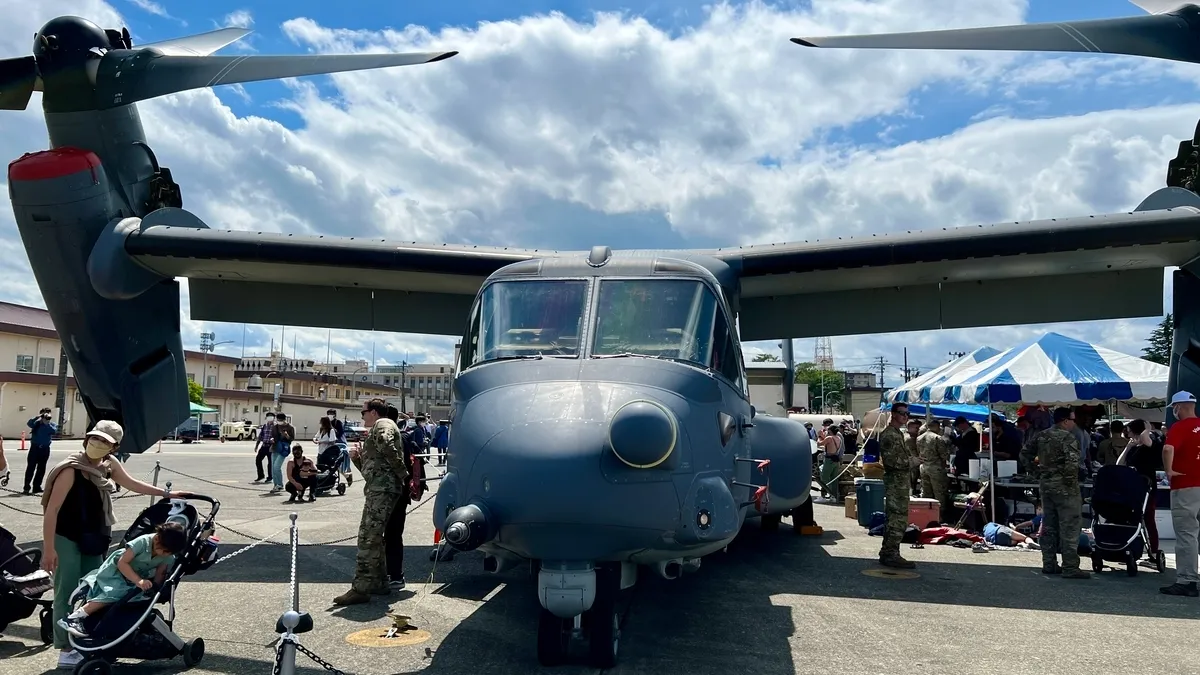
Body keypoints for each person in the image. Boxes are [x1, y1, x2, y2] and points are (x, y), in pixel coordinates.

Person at [40, 420, 186, 669]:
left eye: (104, 441)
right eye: (94, 438)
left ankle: (90, 640)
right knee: (66, 591)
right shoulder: (71, 468)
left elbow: (131, 483)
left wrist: (167, 494)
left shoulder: (108, 465)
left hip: (95, 534)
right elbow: (52, 510)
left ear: (114, 447)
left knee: (96, 589)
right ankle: (65, 647)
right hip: (67, 535)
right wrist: (49, 548)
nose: (96, 444)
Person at [334, 398, 409, 605]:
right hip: (379, 488)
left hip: (382, 490)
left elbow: (386, 444)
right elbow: (374, 471)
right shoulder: (381, 425)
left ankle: (360, 588)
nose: (362, 416)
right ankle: (378, 583)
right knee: (374, 538)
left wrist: (403, 474)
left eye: (363, 412)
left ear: (374, 412)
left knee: (367, 538)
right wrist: (358, 458)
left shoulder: (382, 424)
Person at [57, 522, 188, 638]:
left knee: (134, 598)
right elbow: (122, 563)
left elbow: (161, 571)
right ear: (157, 539)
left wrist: (155, 587)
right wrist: (139, 581)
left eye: (169, 553)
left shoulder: (167, 554)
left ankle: (99, 601)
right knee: (116, 593)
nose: (166, 555)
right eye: (164, 551)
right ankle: (74, 617)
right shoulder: (142, 542)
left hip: (134, 577)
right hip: (117, 570)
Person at [1024, 407, 1090, 579]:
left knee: (1049, 525)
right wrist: (1069, 482)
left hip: (1046, 485)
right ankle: (1070, 566)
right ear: (1065, 421)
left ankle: (1049, 563)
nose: (1074, 423)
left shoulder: (1041, 435)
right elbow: (1072, 463)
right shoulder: (1068, 437)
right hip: (1066, 488)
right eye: (1072, 420)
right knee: (1070, 526)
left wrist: (1036, 472)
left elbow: (1024, 454)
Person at [1161, 391, 1200, 597]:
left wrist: (1169, 471)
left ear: (1180, 407)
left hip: (1186, 485)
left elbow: (1168, 448)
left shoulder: (1180, 427)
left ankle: (1187, 580)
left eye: (1174, 408)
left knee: (1187, 534)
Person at [1118, 419, 1162, 564]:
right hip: (1133, 487)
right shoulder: (1134, 447)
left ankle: (1154, 552)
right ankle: (1130, 549)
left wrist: (1147, 429)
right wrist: (1128, 447)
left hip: (1147, 487)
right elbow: (1119, 464)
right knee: (1131, 518)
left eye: (1129, 429)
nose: (1127, 432)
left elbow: (1145, 439)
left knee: (1149, 519)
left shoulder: (1151, 445)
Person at [878, 403, 915, 569]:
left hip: (900, 483)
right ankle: (890, 553)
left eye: (907, 414)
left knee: (896, 518)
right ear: (893, 414)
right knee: (897, 519)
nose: (905, 417)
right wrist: (912, 462)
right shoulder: (889, 435)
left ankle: (889, 551)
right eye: (902, 413)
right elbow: (891, 461)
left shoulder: (897, 434)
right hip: (895, 483)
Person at [384, 404, 411, 589]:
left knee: (391, 534)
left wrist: (402, 476)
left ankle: (393, 574)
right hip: (399, 493)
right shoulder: (404, 437)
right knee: (393, 534)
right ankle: (392, 573)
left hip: (393, 493)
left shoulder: (394, 438)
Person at [918, 419, 952, 523]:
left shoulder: (919, 438)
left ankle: (926, 515)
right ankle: (939, 516)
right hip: (935, 468)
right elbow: (944, 455)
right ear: (937, 426)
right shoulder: (937, 438)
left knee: (926, 492)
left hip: (924, 467)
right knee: (939, 493)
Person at [24, 407, 58, 495]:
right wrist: (38, 417)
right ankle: (26, 487)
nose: (46, 416)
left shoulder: (52, 424)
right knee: (31, 467)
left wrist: (47, 423)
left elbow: (54, 431)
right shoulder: (36, 424)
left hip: (45, 449)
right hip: (34, 448)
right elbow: (29, 423)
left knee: (41, 468)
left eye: (48, 414)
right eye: (44, 414)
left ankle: (36, 487)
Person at [269, 413, 295, 494]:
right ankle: (276, 484)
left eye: (280, 420)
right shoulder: (274, 427)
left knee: (277, 466)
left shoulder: (290, 427)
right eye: (278, 420)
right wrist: (271, 439)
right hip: (274, 448)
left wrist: (287, 436)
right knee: (273, 468)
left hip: (283, 449)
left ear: (284, 419)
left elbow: (292, 438)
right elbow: (271, 436)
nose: (279, 421)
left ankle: (279, 484)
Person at [818, 424, 843, 503]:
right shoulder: (839, 438)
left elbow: (819, 443)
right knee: (834, 478)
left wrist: (820, 436)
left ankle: (823, 496)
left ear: (830, 431)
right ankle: (834, 496)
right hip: (836, 460)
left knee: (824, 477)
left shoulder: (829, 438)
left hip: (829, 460)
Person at [252, 412, 276, 484]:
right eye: (268, 416)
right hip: (264, 445)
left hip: (271, 446)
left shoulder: (275, 426)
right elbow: (260, 436)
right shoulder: (265, 426)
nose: (270, 418)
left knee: (270, 463)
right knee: (258, 460)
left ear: (274, 418)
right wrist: (257, 446)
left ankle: (270, 477)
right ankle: (260, 475)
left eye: (271, 416)